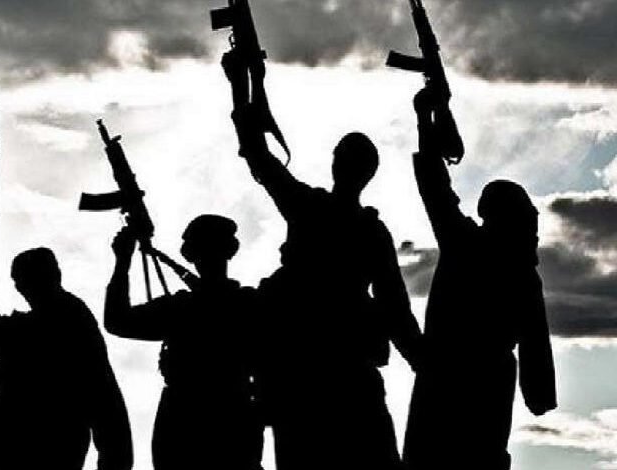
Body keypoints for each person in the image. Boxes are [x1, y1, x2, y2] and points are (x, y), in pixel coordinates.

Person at [221, 51, 422, 469]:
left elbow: (257, 154)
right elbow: (396, 312)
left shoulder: (314, 209)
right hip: (322, 378)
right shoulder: (361, 227)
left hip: (316, 379)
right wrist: (243, 81)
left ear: (339, 165)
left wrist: (241, 83)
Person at [403, 86, 557, 470]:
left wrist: (425, 119)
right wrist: (425, 119)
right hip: (466, 389)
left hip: (453, 387)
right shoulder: (508, 266)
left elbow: (435, 188)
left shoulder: (470, 245)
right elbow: (435, 186)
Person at [0, 208, 133, 470]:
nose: (20, 288)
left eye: (21, 281)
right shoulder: (74, 325)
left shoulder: (31, 335)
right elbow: (110, 416)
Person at [104, 215, 264, 470]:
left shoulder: (182, 308)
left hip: (187, 417)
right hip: (230, 415)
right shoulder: (249, 304)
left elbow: (117, 320)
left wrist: (122, 262)